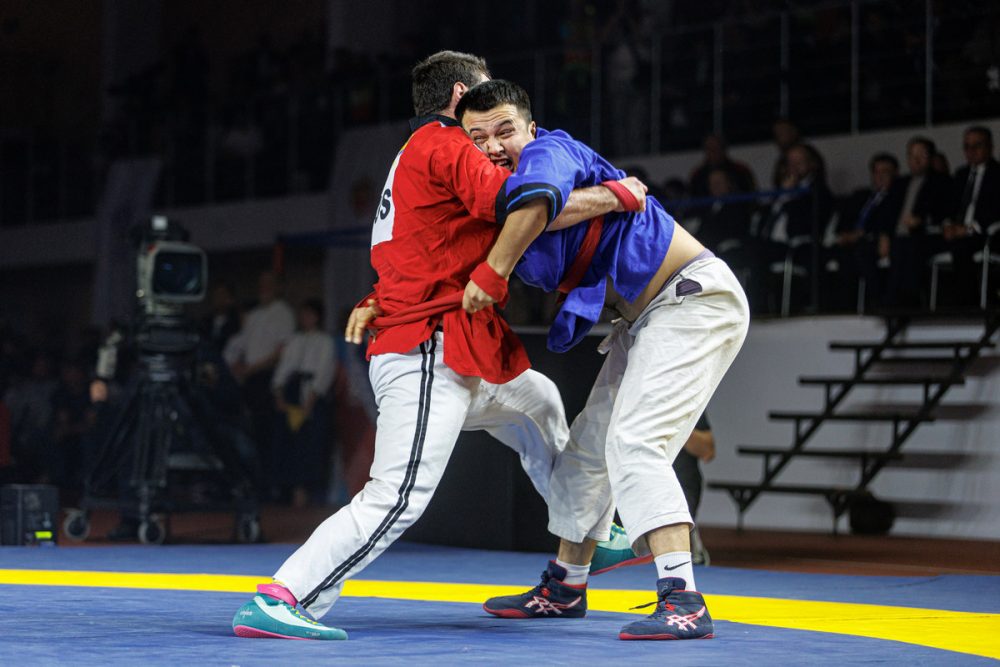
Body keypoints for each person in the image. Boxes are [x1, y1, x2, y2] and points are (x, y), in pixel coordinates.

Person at [231, 51, 645, 641]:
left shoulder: (414, 152)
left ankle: (590, 533)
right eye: (482, 97)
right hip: (428, 350)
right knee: (399, 494)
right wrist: (615, 194)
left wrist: (378, 296)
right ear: (458, 96)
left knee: (540, 403)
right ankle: (284, 595)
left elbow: (413, 246)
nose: (490, 132)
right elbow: (526, 204)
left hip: (459, 348)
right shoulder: (446, 143)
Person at [455, 79, 749, 641]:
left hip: (693, 299)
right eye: (478, 138)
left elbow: (538, 202)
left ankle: (684, 599)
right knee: (587, 451)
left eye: (504, 131)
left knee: (635, 442)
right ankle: (565, 586)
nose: (493, 146)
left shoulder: (549, 153)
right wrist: (613, 195)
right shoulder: (495, 204)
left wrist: (495, 269)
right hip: (641, 321)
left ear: (530, 129)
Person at [224, 271, 295, 483]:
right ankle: (250, 480)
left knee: (266, 432)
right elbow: (241, 345)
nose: (265, 288)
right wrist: (237, 366)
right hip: (249, 379)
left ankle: (268, 482)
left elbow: (281, 351)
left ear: (278, 287)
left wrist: (252, 368)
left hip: (268, 377)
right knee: (248, 431)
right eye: (262, 283)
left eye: (269, 283)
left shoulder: (283, 313)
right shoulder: (254, 315)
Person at [271, 299, 336, 507]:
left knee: (311, 445)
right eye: (303, 314)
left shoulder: (325, 341)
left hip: (312, 396)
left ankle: (309, 493)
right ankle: (291, 491)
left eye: (309, 314)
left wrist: (312, 399)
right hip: (293, 393)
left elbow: (324, 371)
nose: (305, 318)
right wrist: (279, 393)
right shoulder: (295, 340)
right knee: (291, 445)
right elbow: (284, 368)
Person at [883, 137, 955, 307]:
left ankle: (903, 304)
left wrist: (921, 221)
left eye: (921, 155)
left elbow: (946, 212)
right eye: (912, 155)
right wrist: (883, 236)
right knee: (863, 251)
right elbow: (887, 214)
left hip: (924, 236)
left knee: (908, 247)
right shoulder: (899, 184)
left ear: (931, 157)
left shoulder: (941, 182)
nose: (916, 160)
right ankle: (878, 300)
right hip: (896, 237)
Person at [688, 134, 757, 197]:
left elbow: (752, 196)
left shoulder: (741, 171)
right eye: (709, 149)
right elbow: (693, 199)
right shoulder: (697, 175)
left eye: (716, 148)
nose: (712, 152)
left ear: (723, 149)